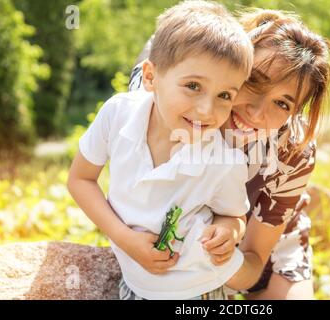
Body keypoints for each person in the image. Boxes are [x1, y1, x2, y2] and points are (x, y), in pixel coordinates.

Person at [130, 8, 330, 299]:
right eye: (254, 81)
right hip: (184, 226)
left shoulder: (293, 150)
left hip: (259, 241)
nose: (256, 112)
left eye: (282, 104)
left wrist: (214, 258)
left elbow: (253, 260)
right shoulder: (170, 97)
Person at [67, 0, 254, 300]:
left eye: (224, 95)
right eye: (193, 86)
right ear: (151, 77)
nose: (207, 110)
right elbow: (80, 179)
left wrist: (229, 232)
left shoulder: (224, 161)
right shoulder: (117, 114)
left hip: (198, 288)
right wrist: (124, 238)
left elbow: (233, 216)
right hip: (135, 282)